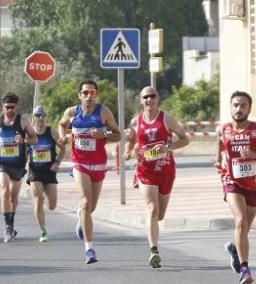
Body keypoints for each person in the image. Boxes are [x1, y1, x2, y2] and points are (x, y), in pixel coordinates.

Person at [123, 86, 189, 268]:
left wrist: (168, 148)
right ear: (140, 100)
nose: (149, 100)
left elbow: (185, 139)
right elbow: (131, 140)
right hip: (145, 171)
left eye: (152, 96)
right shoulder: (135, 122)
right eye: (145, 97)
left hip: (166, 170)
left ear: (157, 98)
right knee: (152, 209)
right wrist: (128, 152)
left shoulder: (166, 119)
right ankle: (154, 250)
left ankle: (154, 235)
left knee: (159, 215)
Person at [57, 79, 121, 264]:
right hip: (79, 163)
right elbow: (61, 125)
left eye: (92, 92)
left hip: (98, 163)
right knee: (85, 202)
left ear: (96, 95)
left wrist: (105, 135)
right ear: (80, 95)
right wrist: (62, 138)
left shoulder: (104, 112)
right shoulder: (71, 112)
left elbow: (118, 134)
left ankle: (81, 219)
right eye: (85, 93)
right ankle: (89, 249)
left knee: (90, 207)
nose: (89, 96)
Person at [217, 91, 256, 284]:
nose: (238, 109)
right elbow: (220, 150)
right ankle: (244, 269)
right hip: (231, 182)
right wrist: (218, 164)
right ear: (230, 107)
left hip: (253, 185)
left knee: (245, 228)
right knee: (240, 221)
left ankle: (234, 249)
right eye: (235, 105)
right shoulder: (223, 130)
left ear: (250, 108)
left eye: (243, 105)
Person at [0, 93, 37, 242]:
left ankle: (11, 225)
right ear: (3, 107)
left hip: (18, 164)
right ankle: (7, 227)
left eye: (12, 107)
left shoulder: (23, 122)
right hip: (2, 163)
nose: (9, 110)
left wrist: (24, 140)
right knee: (5, 190)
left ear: (16, 107)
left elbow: (35, 138)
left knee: (14, 197)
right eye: (7, 107)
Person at [26, 105, 65, 243]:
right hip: (35, 170)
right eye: (38, 116)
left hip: (49, 171)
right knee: (38, 199)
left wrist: (57, 163)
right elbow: (23, 151)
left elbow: (62, 149)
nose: (40, 118)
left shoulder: (51, 132)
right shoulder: (29, 134)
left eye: (43, 115)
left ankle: (45, 203)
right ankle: (43, 231)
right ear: (34, 118)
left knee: (52, 205)